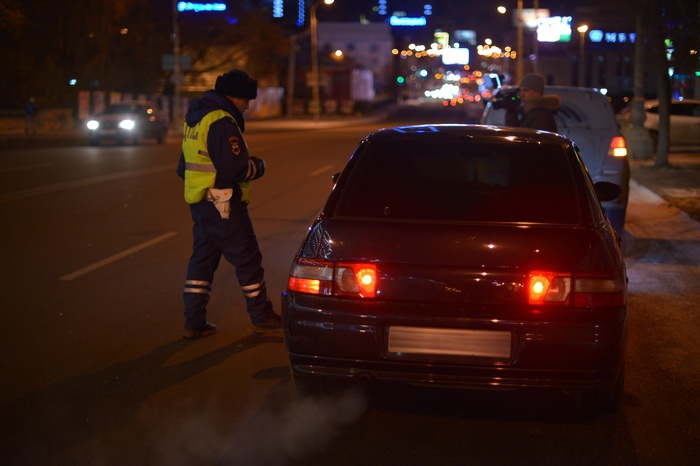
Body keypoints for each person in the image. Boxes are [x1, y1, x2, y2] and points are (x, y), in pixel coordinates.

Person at [176, 69, 282, 339]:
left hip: (200, 202)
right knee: (248, 259)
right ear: (233, 96)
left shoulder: (195, 118)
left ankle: (194, 322)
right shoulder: (222, 121)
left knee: (201, 262)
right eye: (246, 100)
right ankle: (262, 317)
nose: (248, 106)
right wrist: (258, 166)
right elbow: (235, 169)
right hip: (223, 201)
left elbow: (182, 168)